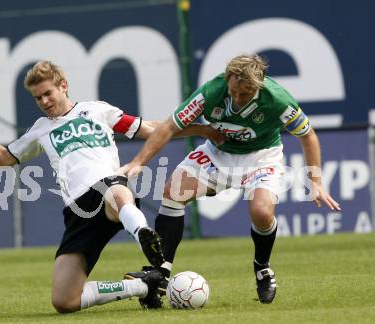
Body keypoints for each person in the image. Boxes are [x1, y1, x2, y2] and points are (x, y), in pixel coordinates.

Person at [0, 61, 222, 313]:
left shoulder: (98, 111)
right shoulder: (40, 130)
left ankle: (144, 234)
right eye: (37, 98)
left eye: (47, 93)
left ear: (63, 86)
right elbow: (2, 159)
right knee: (65, 301)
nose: (44, 102)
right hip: (78, 211)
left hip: (111, 191)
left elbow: (152, 130)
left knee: (116, 190)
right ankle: (143, 285)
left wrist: (200, 129)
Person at [121, 54, 341, 304]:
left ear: (257, 87)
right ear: (228, 79)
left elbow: (308, 135)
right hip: (218, 154)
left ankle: (262, 267)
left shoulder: (277, 100)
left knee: (261, 212)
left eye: (244, 95)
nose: (237, 98)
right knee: (174, 191)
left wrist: (316, 182)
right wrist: (138, 162)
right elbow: (169, 127)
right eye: (234, 91)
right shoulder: (212, 91)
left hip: (261, 158)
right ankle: (159, 273)